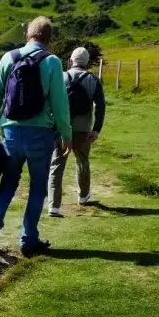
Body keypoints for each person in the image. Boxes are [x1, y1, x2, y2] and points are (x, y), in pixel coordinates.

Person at [0, 16, 74, 257]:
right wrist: (66, 134)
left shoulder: (8, 58)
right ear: (49, 40)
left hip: (10, 130)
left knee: (9, 180)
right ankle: (28, 239)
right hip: (41, 134)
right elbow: (60, 104)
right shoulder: (52, 62)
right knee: (37, 187)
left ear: (28, 36)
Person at [49, 47, 107, 215]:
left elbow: (50, 101)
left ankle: (53, 205)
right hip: (84, 129)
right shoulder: (93, 80)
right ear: (86, 62)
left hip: (61, 127)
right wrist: (96, 129)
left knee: (57, 164)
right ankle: (83, 196)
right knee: (82, 161)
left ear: (71, 60)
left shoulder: (61, 77)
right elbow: (100, 107)